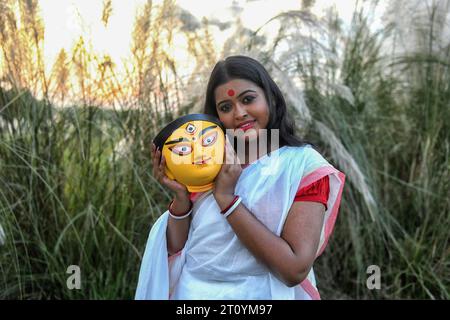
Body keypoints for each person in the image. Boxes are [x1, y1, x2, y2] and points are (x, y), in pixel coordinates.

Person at [135, 55, 345, 300]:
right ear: (215, 118)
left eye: (248, 99)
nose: (239, 113)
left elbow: (294, 268)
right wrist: (181, 199)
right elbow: (175, 250)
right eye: (225, 107)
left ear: (271, 98)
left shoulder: (302, 167)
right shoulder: (206, 162)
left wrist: (226, 199)